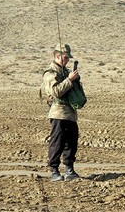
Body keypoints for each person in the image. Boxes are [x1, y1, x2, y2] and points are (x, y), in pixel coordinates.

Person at [43, 44, 81, 181]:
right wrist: (69, 80)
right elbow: (56, 92)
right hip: (58, 113)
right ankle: (54, 170)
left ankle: (70, 169)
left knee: (71, 142)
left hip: (70, 113)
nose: (67, 61)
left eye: (68, 58)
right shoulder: (50, 74)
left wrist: (74, 80)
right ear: (58, 56)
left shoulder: (65, 72)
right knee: (57, 142)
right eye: (65, 58)